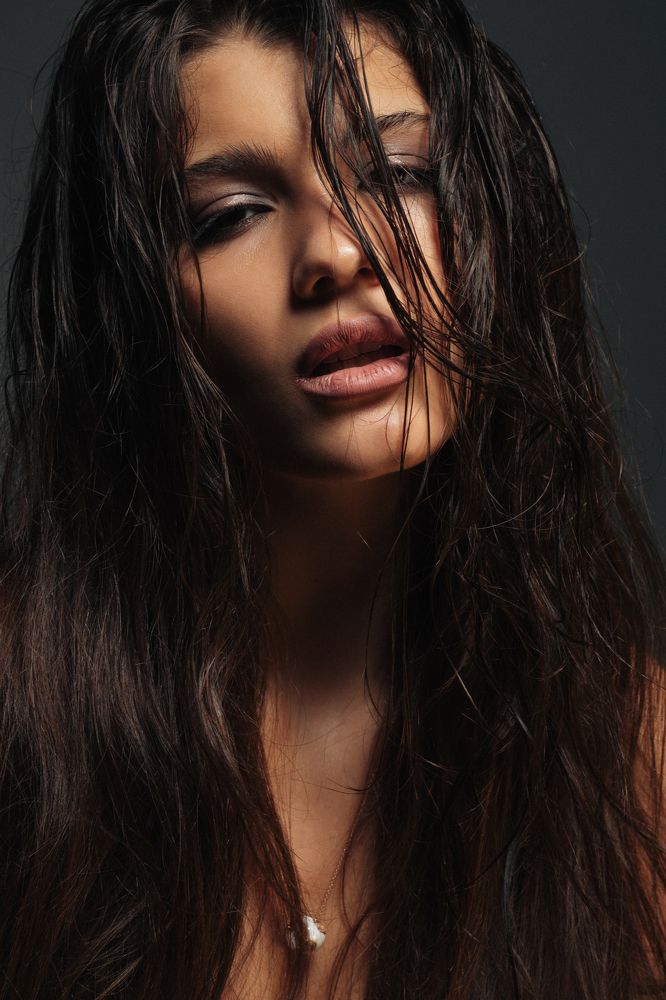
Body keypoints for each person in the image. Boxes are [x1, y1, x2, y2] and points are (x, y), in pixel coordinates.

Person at [1, 0, 664, 997]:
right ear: (135, 307)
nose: (338, 253)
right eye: (230, 215)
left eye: (399, 173)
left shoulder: (628, 753)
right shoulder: (25, 721)